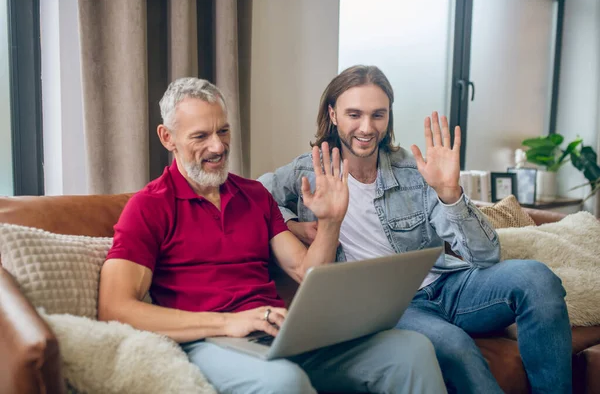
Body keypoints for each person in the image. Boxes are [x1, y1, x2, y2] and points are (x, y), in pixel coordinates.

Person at [98, 77, 446, 394]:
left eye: (223, 131)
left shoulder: (254, 196)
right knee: (284, 382)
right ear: (167, 138)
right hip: (207, 341)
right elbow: (115, 308)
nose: (218, 147)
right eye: (201, 136)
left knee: (410, 350)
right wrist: (229, 323)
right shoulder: (148, 207)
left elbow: (306, 273)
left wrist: (330, 222)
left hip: (279, 334)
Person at [259, 65, 572, 394]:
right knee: (453, 344)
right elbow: (257, 196)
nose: (367, 128)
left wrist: (451, 194)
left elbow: (486, 256)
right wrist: (294, 226)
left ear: (388, 117)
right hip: (392, 305)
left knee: (538, 279)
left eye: (378, 115)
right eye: (354, 114)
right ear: (333, 114)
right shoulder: (307, 170)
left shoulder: (412, 170)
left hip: (449, 284)